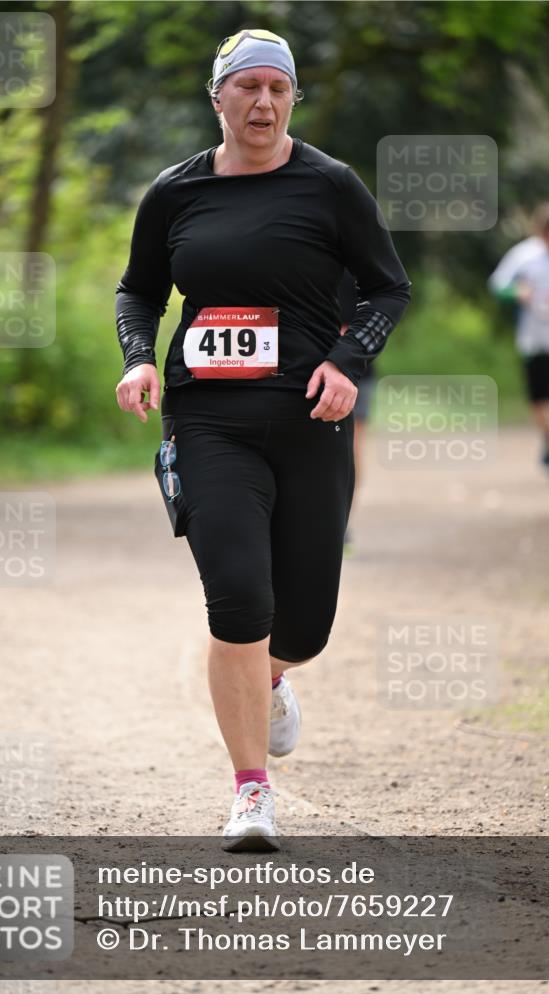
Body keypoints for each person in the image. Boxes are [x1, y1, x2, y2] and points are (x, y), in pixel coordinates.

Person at [115, 28, 411, 850]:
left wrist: (349, 362)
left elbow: (389, 286)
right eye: (246, 87)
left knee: (303, 622)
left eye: (277, 90)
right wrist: (139, 363)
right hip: (207, 422)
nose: (263, 103)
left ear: (291, 100)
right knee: (238, 596)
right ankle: (251, 791)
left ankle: (273, 675)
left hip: (312, 421)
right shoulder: (174, 194)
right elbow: (138, 292)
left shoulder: (330, 186)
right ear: (217, 98)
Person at [489, 204, 549, 482]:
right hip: (535, 340)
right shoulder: (525, 256)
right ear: (542, 234)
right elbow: (498, 285)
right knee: (539, 401)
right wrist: (517, 293)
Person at [338, 270, 377, 547]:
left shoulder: (361, 255)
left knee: (350, 447)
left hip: (355, 369)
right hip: (303, 368)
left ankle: (342, 523)